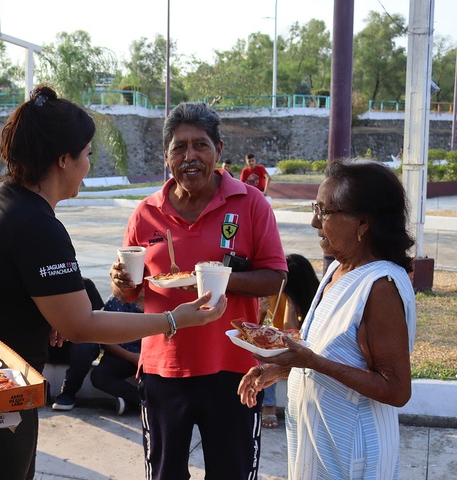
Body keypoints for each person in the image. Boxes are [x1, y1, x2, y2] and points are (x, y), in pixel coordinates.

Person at [0, 85, 227, 480]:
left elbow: (7, 286)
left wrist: (49, 317)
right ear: (63, 160)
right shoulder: (37, 225)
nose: (89, 165)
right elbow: (83, 325)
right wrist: (173, 320)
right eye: (87, 155)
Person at [110, 102, 287, 479]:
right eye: (179, 147)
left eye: (200, 145)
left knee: (232, 473)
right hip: (163, 370)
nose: (190, 156)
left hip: (233, 371)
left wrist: (217, 278)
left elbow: (274, 277)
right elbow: (131, 294)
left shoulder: (250, 203)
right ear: (167, 157)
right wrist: (121, 283)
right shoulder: (146, 213)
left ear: (219, 150)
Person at [239, 158, 417, 480]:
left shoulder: (379, 286)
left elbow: (397, 389)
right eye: (315, 208)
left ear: (362, 223)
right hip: (320, 450)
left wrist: (313, 363)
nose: (314, 221)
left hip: (353, 455)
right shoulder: (338, 268)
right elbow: (325, 350)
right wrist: (276, 369)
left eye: (324, 211)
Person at [52, 281, 143, 416]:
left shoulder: (164, 305)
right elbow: (102, 337)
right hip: (122, 354)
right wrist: (132, 357)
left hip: (150, 356)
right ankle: (141, 402)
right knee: (99, 374)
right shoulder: (115, 302)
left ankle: (137, 403)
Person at [256, 253, 319, 429]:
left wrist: (291, 303)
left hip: (299, 348)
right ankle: (265, 402)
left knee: (273, 356)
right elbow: (256, 328)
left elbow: (293, 339)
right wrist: (260, 311)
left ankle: (269, 406)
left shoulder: (311, 300)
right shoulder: (272, 293)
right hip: (280, 341)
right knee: (262, 353)